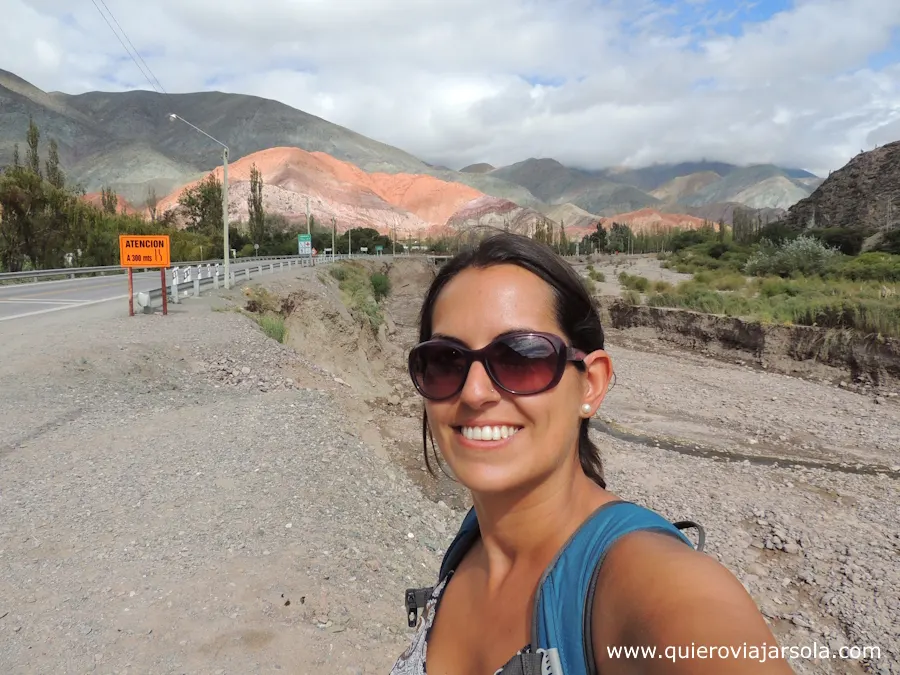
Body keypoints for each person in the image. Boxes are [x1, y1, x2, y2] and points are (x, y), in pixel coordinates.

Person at [389, 232, 794, 675]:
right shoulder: (471, 545)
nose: (474, 392)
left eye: (521, 357)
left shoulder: (651, 580)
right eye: (446, 361)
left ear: (591, 384)